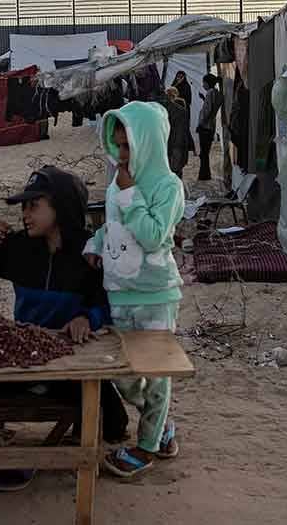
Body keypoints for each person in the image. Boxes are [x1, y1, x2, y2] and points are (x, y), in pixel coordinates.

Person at [0, 165, 129, 492]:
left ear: (62, 207)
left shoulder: (90, 252)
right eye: (23, 207)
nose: (25, 214)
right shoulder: (20, 248)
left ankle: (46, 455)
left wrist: (88, 318)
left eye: (33, 205)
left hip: (69, 360)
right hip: (20, 356)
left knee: (113, 422)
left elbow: (108, 301)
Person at [83, 102, 185, 479]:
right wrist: (95, 245)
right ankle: (161, 428)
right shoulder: (118, 183)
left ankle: (146, 446)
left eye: (129, 146)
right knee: (123, 373)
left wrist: (129, 195)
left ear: (149, 143)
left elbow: (153, 235)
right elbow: (114, 226)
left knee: (156, 374)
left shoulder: (167, 186)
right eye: (119, 146)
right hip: (120, 292)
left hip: (155, 295)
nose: (123, 155)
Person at [159, 86, 192, 177]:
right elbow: (185, 129)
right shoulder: (181, 109)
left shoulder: (161, 109)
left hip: (169, 143)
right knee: (177, 171)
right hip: (178, 143)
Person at [197, 74, 223, 181]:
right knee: (205, 152)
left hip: (205, 127)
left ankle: (204, 175)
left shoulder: (210, 93)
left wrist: (201, 124)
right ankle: (205, 174)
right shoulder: (216, 93)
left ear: (207, 83)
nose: (203, 84)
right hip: (210, 126)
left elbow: (207, 111)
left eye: (203, 82)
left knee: (203, 153)